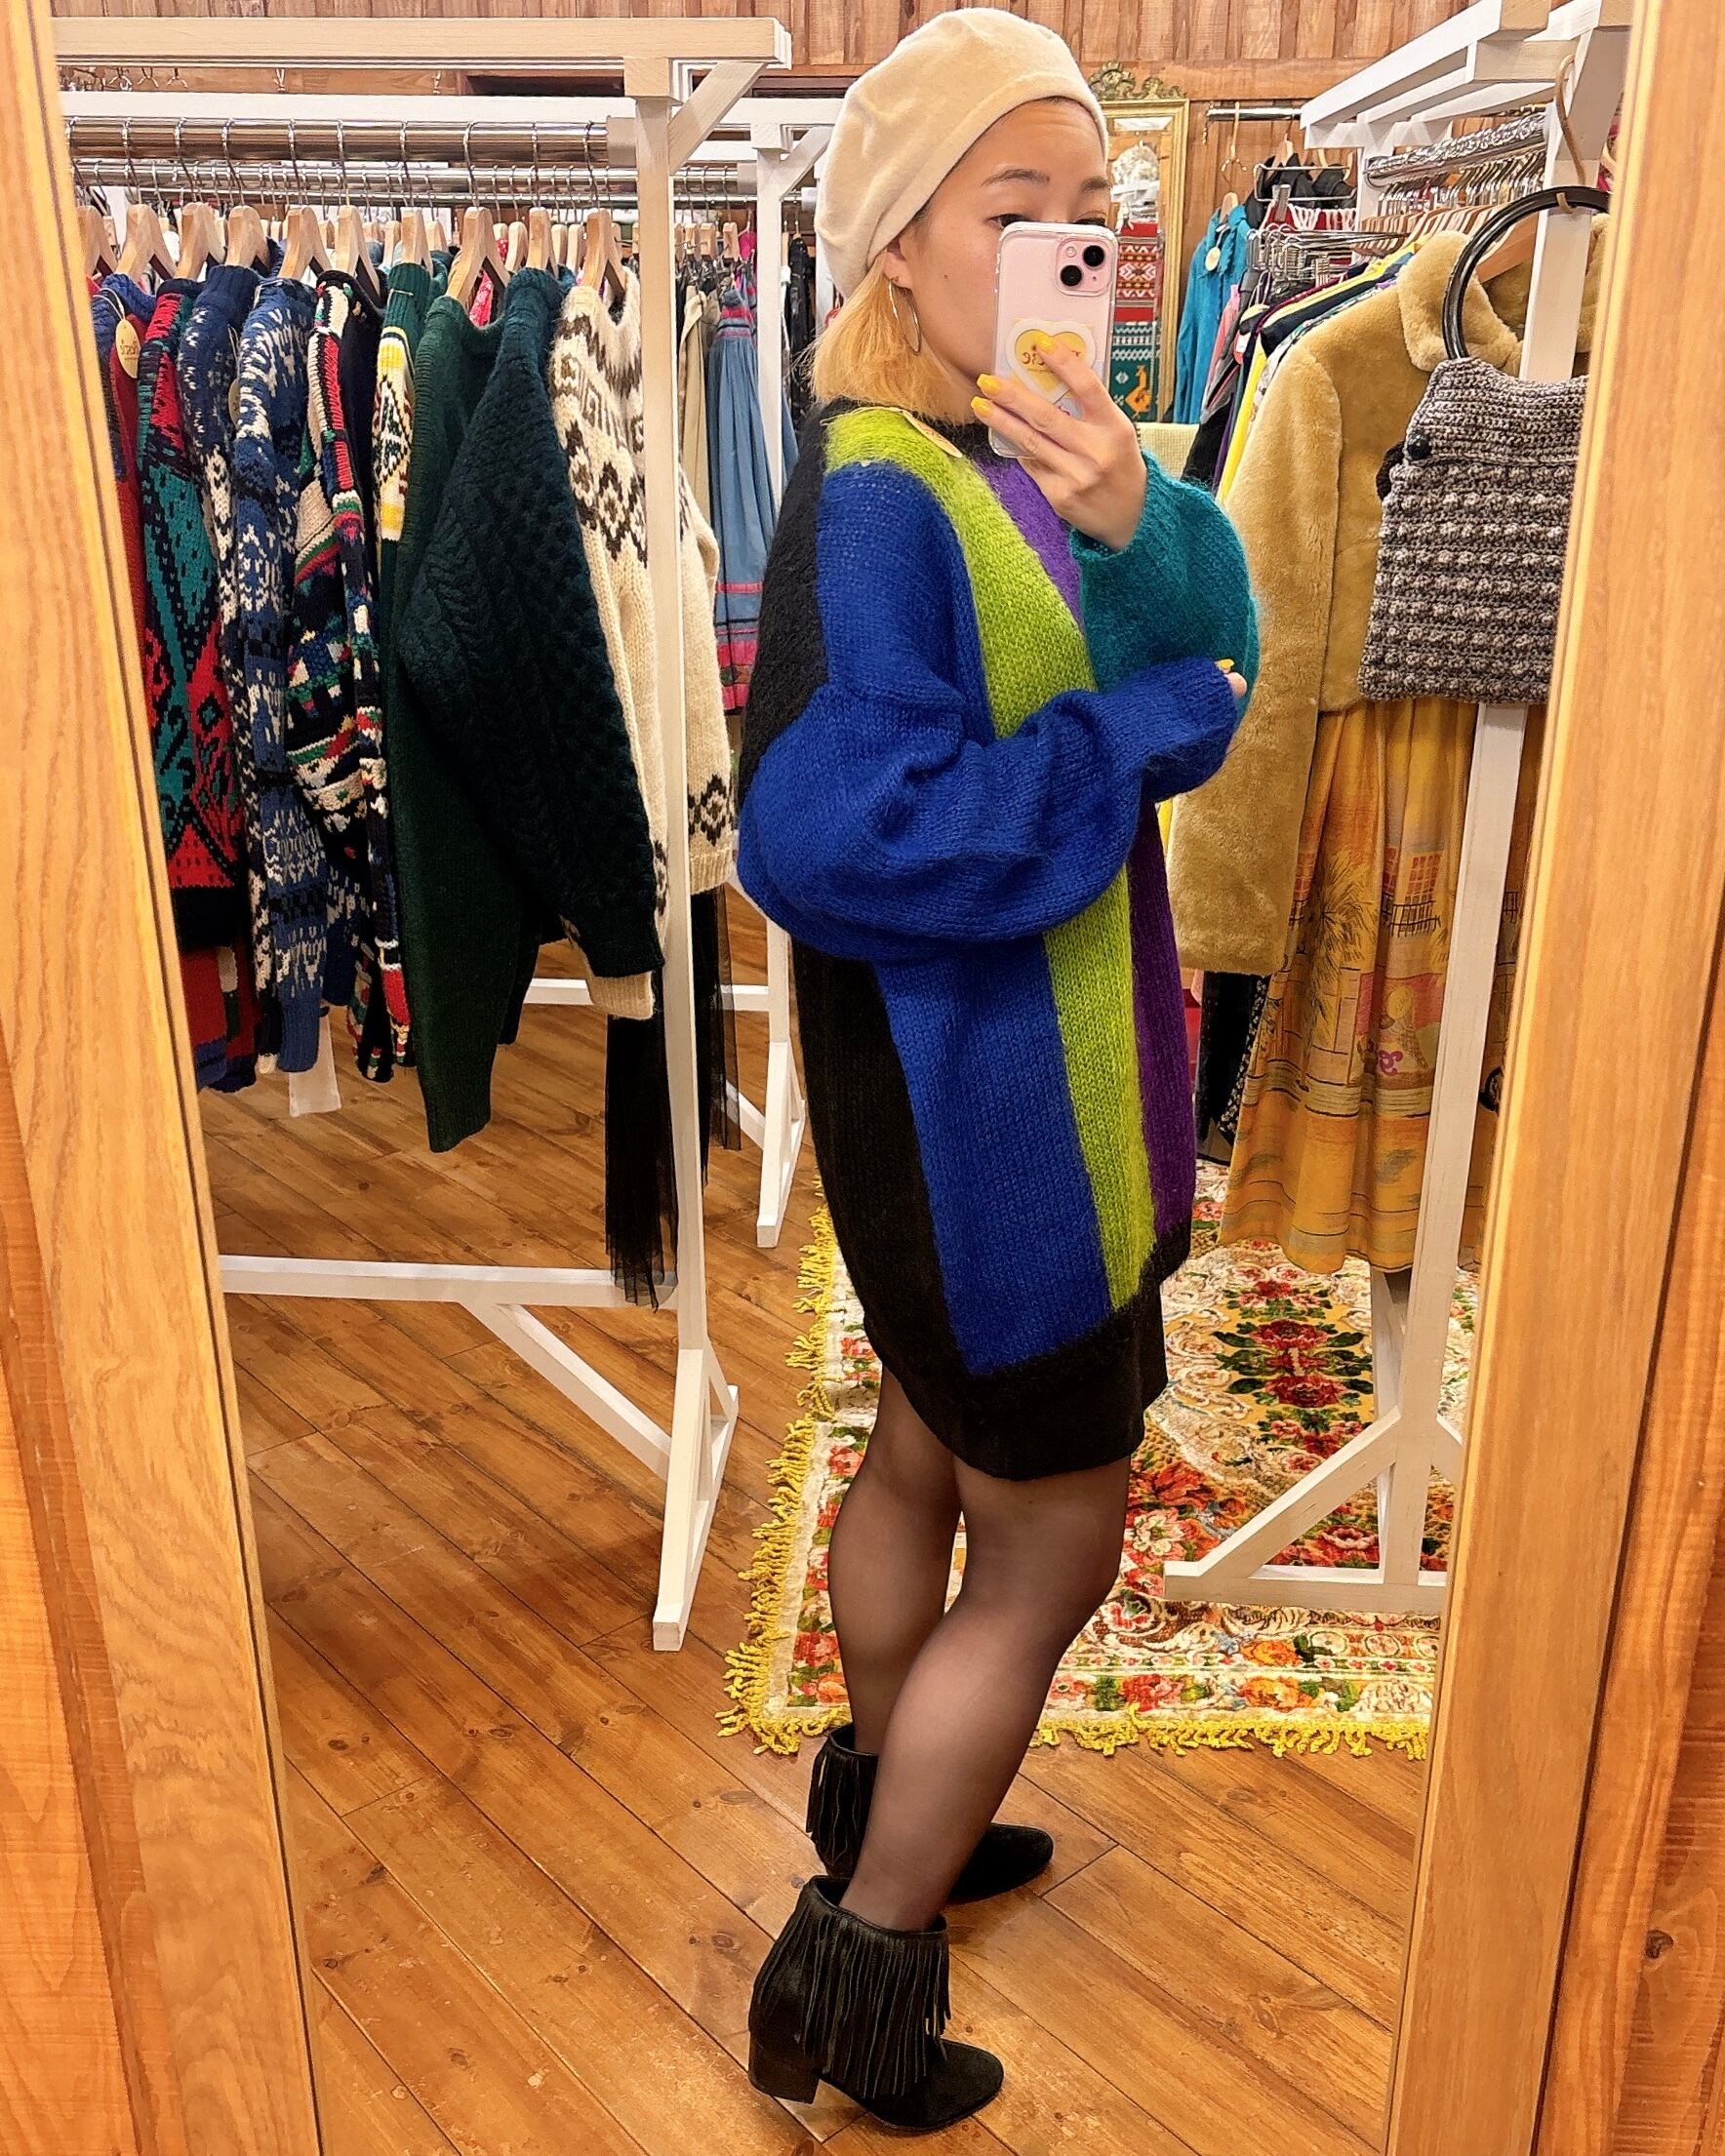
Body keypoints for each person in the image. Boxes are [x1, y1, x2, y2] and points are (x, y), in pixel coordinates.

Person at [736, 10, 1258, 2133]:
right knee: (1047, 1549)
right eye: (1009, 208)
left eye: (1093, 215)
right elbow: (829, 833)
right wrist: (1117, 741)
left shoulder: (1010, 452)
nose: (1070, 247)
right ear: (899, 244)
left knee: (922, 1455)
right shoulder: (885, 493)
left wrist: (1137, 512)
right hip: (984, 1121)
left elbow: (1215, 648)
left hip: (975, 1097)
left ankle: (897, 1807)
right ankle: (854, 1970)